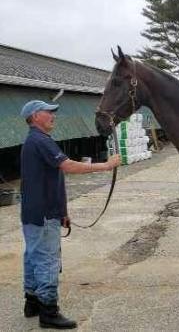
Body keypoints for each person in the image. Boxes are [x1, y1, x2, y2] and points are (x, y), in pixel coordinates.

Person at [20, 100, 121, 329]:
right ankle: (49, 311)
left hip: (35, 211)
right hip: (44, 213)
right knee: (47, 259)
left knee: (33, 256)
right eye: (49, 112)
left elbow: (52, 178)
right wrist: (106, 165)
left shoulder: (34, 140)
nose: (53, 116)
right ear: (35, 117)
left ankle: (32, 302)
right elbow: (68, 166)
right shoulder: (41, 140)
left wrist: (63, 212)